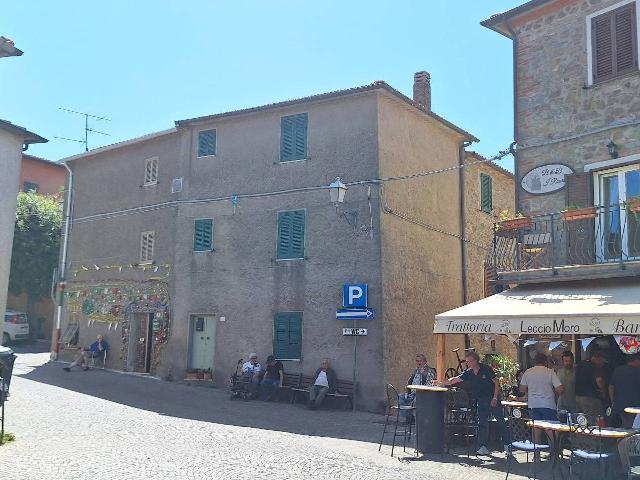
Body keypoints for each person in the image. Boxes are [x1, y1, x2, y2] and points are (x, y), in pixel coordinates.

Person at [442, 350, 509, 455]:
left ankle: (507, 445)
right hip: (481, 400)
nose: (467, 363)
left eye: (469, 361)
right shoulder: (468, 372)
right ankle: (483, 446)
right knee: (482, 423)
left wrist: (495, 398)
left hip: (492, 398)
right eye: (466, 361)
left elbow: (496, 383)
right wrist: (442, 382)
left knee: (500, 421)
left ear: (475, 361)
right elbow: (455, 379)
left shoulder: (486, 369)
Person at [519, 353, 564, 421]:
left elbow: (522, 389)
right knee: (550, 427)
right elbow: (560, 389)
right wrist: (554, 393)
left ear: (535, 362)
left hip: (533, 404)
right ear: (545, 362)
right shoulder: (550, 372)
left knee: (537, 427)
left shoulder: (528, 372)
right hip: (548, 404)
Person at [399, 353, 437, 423]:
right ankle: (409, 417)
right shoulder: (416, 370)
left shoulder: (429, 371)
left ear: (425, 361)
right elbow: (410, 380)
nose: (419, 363)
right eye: (417, 361)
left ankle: (418, 419)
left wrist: (418, 391)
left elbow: (428, 384)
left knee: (417, 400)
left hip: (423, 394)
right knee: (401, 397)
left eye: (420, 361)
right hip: (413, 393)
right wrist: (407, 389)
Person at [608, 354, 640, 428]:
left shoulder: (617, 370)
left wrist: (612, 401)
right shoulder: (638, 372)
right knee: (634, 427)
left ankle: (622, 438)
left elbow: (611, 387)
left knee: (625, 425)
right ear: (636, 360)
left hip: (620, 404)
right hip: (635, 406)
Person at [575, 350, 609, 416]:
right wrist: (603, 391)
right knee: (594, 419)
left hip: (578, 397)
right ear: (597, 358)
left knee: (582, 420)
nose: (602, 363)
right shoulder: (594, 366)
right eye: (602, 361)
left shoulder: (580, 364)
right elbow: (599, 380)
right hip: (591, 398)